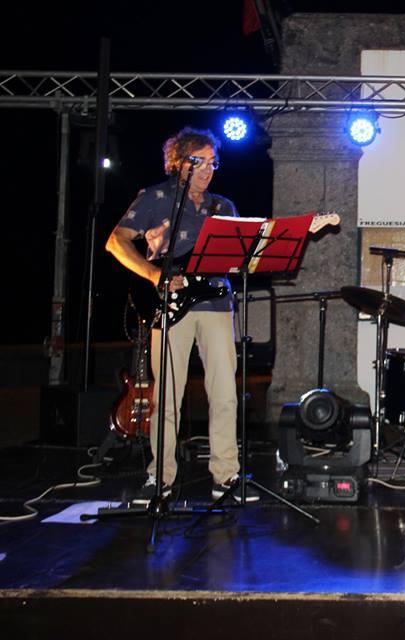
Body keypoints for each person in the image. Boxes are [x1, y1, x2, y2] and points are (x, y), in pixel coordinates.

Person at [106, 127, 257, 503]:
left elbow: (243, 260)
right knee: (167, 395)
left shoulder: (223, 206)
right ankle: (160, 477)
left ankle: (226, 476)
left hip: (218, 303)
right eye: (199, 162)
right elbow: (116, 241)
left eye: (213, 162)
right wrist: (154, 273)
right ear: (178, 163)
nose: (208, 170)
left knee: (224, 393)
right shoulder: (157, 197)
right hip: (172, 306)